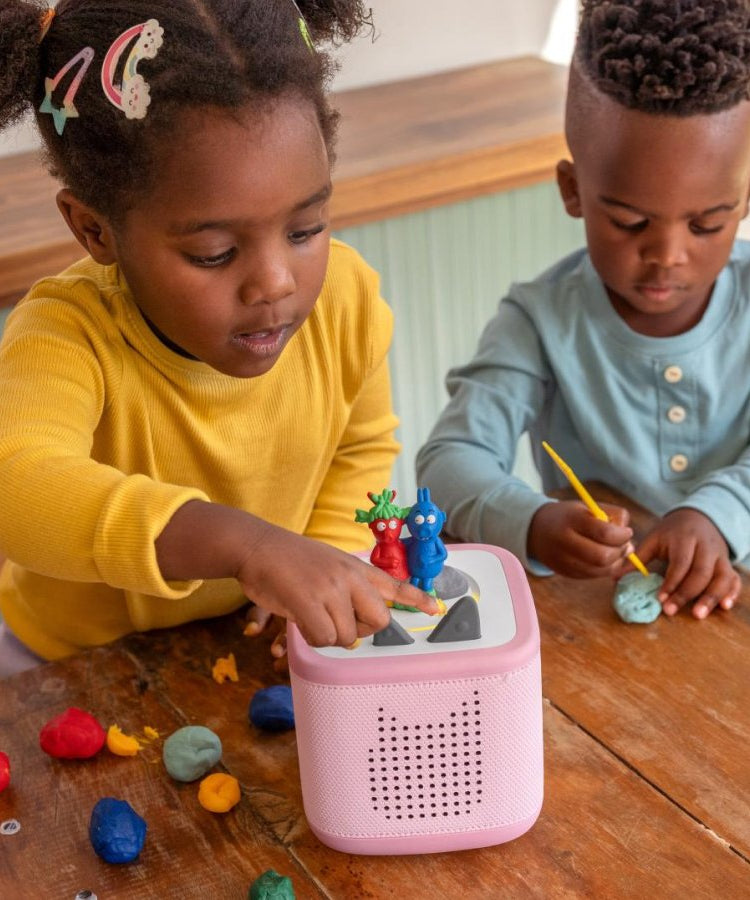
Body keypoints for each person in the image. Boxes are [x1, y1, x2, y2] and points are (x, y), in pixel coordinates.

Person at [0, 0, 437, 678]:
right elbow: (18, 487)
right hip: (65, 663)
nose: (275, 283)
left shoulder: (346, 299)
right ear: (94, 231)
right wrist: (242, 544)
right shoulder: (65, 334)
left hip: (242, 640)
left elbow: (360, 447)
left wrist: (321, 558)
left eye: (305, 230)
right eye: (214, 253)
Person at [417, 0, 750, 620]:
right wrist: (532, 522)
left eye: (708, 224)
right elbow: (448, 463)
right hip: (599, 629)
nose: (667, 255)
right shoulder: (538, 322)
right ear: (573, 191)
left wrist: (716, 514)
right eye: (629, 221)